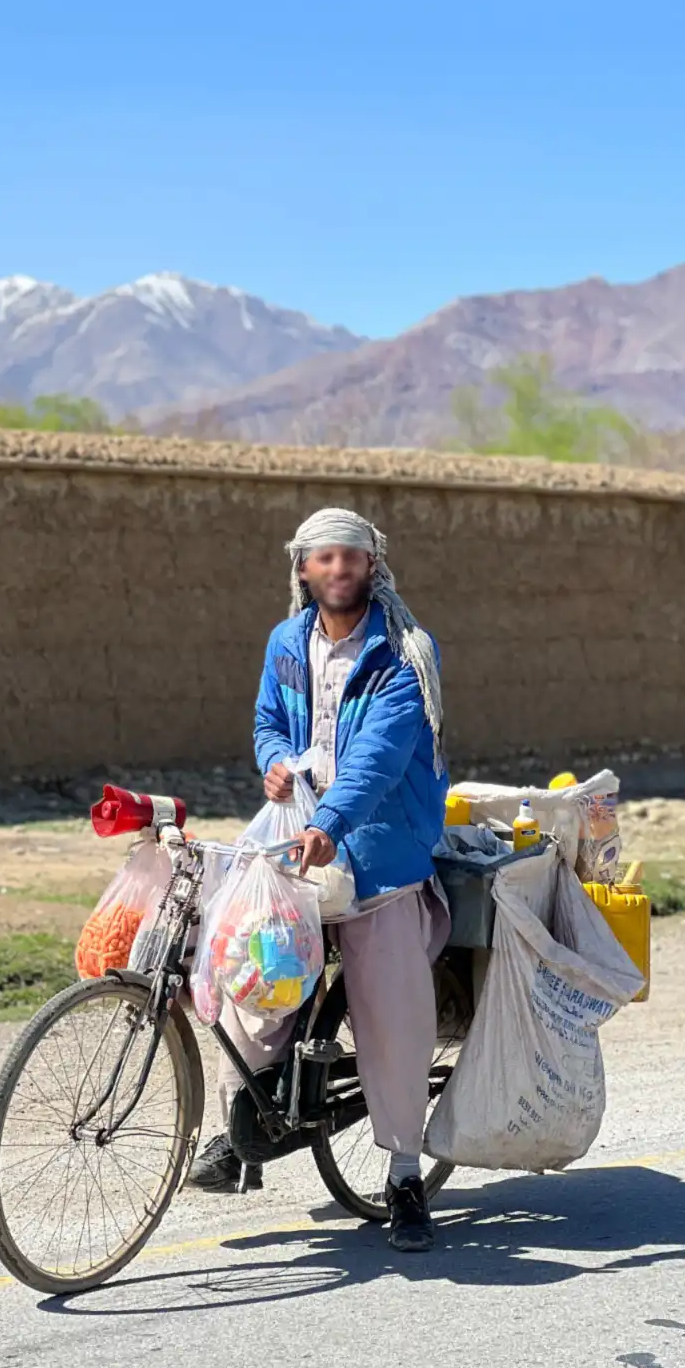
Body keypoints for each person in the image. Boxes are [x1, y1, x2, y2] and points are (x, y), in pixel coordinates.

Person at [186, 507, 451, 1252]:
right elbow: (270, 721)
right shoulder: (286, 642)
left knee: (387, 1010)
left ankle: (402, 1176)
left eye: (352, 558)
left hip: (378, 848)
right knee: (253, 972)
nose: (339, 570)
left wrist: (330, 827)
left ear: (373, 566)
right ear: (303, 568)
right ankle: (242, 1134)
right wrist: (272, 760)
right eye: (324, 559)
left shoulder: (406, 652)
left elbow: (380, 756)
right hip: (297, 840)